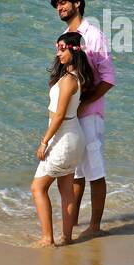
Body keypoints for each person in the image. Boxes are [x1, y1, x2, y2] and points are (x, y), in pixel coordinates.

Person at [50, 0, 116, 239]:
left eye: (63, 2)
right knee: (75, 172)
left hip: (90, 114)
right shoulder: (65, 37)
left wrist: (85, 102)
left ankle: (95, 226)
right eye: (57, 5)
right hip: (71, 116)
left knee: (95, 171)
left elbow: (108, 77)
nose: (59, 7)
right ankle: (73, 222)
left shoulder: (94, 35)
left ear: (77, 3)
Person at [32, 32, 94, 247]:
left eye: (62, 49)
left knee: (37, 188)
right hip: (74, 139)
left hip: (63, 139)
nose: (58, 53)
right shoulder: (74, 77)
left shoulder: (69, 81)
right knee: (66, 190)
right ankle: (66, 238)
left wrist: (43, 142)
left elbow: (58, 115)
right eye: (57, 48)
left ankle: (47, 238)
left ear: (73, 51)